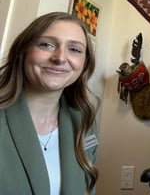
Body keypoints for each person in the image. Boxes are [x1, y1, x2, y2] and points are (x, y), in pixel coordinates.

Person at [0, 12, 100, 195]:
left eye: (75, 49)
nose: (60, 57)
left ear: (84, 64)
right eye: (46, 44)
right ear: (23, 51)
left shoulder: (85, 123)